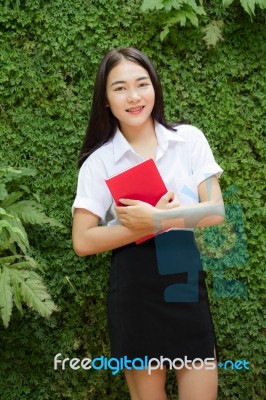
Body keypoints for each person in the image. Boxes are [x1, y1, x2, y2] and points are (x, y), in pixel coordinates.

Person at [72, 47, 225, 400]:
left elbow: (215, 210)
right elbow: (82, 241)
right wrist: (141, 227)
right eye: (120, 88)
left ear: (154, 87)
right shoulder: (100, 162)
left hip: (184, 275)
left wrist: (158, 218)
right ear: (106, 100)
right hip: (134, 286)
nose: (134, 96)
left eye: (142, 84)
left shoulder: (189, 140)